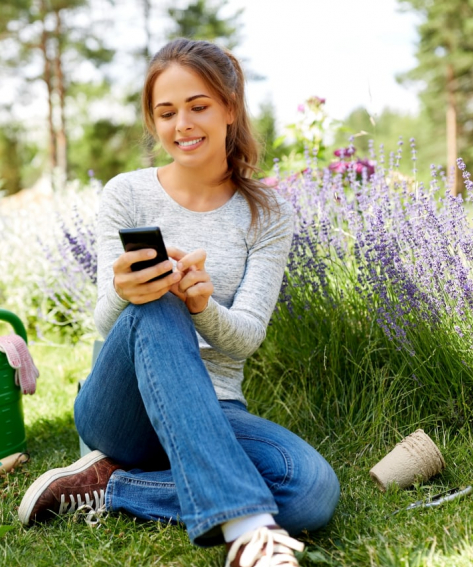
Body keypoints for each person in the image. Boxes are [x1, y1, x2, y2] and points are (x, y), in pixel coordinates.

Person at [18, 38, 340, 567]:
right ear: (153, 121)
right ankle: (248, 527)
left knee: (309, 491)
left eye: (198, 106)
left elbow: (248, 337)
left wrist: (203, 307)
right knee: (155, 300)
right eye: (166, 113)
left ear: (229, 109)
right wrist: (130, 293)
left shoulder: (269, 214)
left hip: (215, 408)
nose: (183, 124)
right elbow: (103, 321)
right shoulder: (127, 194)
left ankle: (113, 488)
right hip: (120, 411)